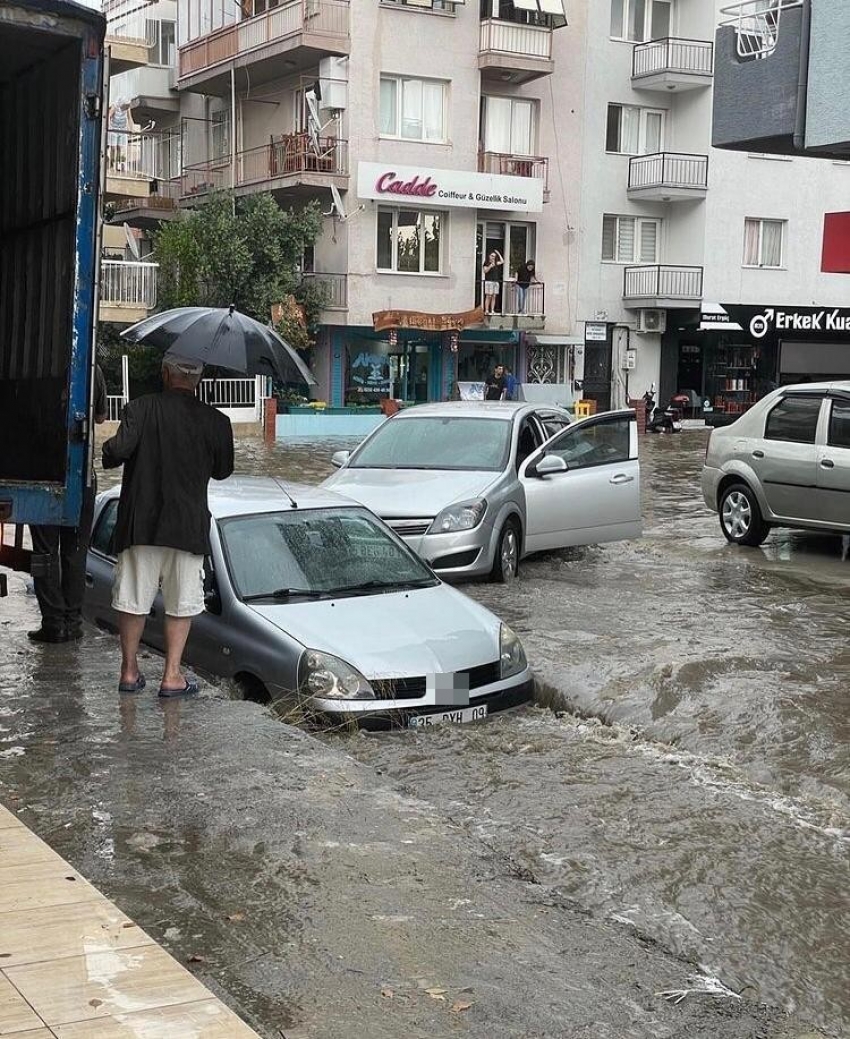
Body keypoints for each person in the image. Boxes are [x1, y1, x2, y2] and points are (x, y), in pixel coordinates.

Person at [102, 355, 234, 697]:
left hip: (140, 525)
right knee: (181, 602)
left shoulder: (139, 408)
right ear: (199, 381)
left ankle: (129, 672)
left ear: (164, 374)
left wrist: (105, 446)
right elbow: (223, 470)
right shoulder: (217, 421)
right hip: (186, 528)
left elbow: (117, 451)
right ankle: (172, 676)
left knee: (133, 599)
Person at [28, 364, 108, 643]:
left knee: (45, 552)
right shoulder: (92, 369)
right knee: (75, 552)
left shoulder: (39, 369)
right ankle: (72, 622)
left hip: (43, 473)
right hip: (81, 473)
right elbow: (100, 417)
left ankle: (53, 623)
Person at [482, 250, 503, 316]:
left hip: (495, 282)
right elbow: (485, 271)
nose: (493, 257)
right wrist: (490, 266)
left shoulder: (496, 263)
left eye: (494, 256)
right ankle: (487, 310)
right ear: (489, 256)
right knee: (488, 296)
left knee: (494, 296)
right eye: (492, 256)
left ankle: (492, 310)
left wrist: (498, 253)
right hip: (489, 281)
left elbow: (502, 261)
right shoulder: (486, 263)